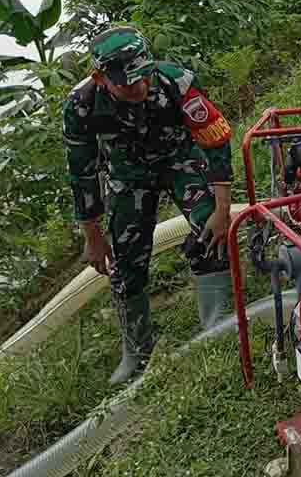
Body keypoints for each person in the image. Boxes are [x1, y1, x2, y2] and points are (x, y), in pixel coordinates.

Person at [63, 26, 236, 385]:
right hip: (127, 176)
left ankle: (218, 323)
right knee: (124, 261)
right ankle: (137, 351)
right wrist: (92, 236)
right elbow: (82, 173)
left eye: (142, 79)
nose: (139, 88)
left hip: (180, 161)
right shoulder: (81, 105)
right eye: (127, 84)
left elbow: (215, 142)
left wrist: (221, 212)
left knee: (210, 228)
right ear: (100, 78)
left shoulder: (178, 82)